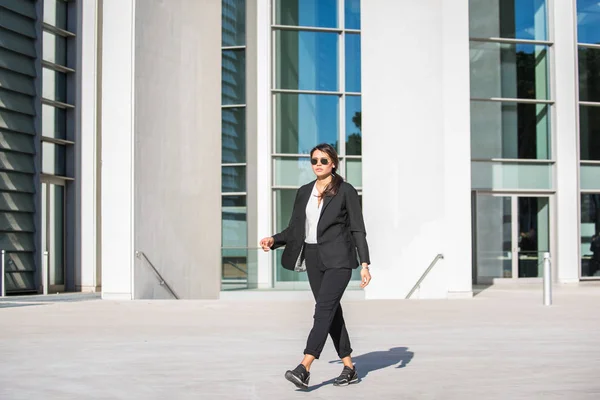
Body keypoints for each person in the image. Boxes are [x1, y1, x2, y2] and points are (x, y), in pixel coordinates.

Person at [259, 143, 372, 389]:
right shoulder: (304, 192)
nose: (318, 164)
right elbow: (296, 229)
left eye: (323, 160)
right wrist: (274, 239)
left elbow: (357, 229)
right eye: (314, 161)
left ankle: (305, 366)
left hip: (339, 259)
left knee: (322, 310)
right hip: (313, 257)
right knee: (331, 313)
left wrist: (364, 263)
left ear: (333, 163)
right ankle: (350, 368)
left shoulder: (346, 191)